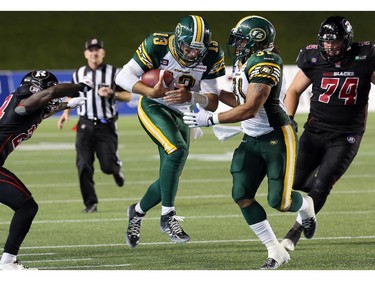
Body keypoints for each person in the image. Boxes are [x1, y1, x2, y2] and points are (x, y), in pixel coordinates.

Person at [183, 15, 316, 270]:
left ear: (257, 41)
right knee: (241, 195)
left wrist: (210, 120)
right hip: (251, 137)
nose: (237, 44)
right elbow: (239, 100)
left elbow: (251, 109)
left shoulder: (267, 62)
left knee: (281, 202)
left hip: (277, 136)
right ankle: (275, 250)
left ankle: (306, 205)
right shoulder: (244, 61)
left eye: (242, 39)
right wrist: (198, 96)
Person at [115, 15, 225, 247]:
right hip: (154, 105)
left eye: (198, 50)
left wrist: (192, 97)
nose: (193, 54)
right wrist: (149, 91)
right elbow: (122, 76)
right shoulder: (157, 43)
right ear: (177, 41)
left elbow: (212, 101)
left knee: (171, 172)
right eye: (188, 47)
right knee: (176, 152)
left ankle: (136, 212)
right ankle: (168, 216)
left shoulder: (213, 53)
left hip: (183, 111)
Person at [280, 16, 375, 252]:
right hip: (315, 130)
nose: (330, 46)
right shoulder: (312, 58)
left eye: (335, 42)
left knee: (322, 184)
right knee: (296, 183)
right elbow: (293, 90)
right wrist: (288, 121)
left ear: (347, 41)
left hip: (346, 135)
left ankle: (295, 232)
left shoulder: (364, 57)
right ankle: (315, 198)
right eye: (326, 41)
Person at [0, 70, 89, 270]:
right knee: (26, 207)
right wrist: (80, 86)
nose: (52, 94)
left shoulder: (24, 106)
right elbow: (49, 94)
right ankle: (7, 263)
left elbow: (42, 110)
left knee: (26, 206)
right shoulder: (23, 101)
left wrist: (66, 105)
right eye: (48, 90)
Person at [57, 38, 132, 213]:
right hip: (85, 124)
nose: (94, 52)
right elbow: (71, 94)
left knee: (106, 166)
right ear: (85, 54)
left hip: (106, 125)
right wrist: (65, 112)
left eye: (97, 49)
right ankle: (91, 203)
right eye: (91, 50)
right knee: (83, 164)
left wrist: (112, 93)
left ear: (103, 53)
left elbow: (128, 96)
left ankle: (115, 169)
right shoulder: (78, 73)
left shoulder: (114, 73)